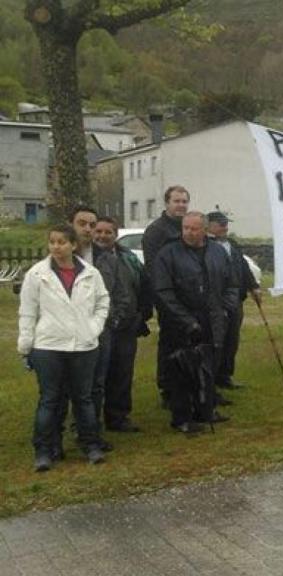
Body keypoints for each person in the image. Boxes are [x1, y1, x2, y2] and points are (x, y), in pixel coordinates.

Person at [18, 223, 109, 471]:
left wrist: (94, 327)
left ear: (73, 245)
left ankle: (91, 446)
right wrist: (25, 346)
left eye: (61, 242)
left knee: (84, 399)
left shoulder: (90, 273)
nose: (56, 247)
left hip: (84, 346)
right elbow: (27, 312)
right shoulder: (37, 274)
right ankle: (43, 451)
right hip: (49, 347)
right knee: (50, 399)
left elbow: (103, 302)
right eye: (52, 242)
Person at [151, 212, 238, 433]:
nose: (189, 232)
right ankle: (182, 418)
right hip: (180, 323)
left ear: (204, 229)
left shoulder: (217, 252)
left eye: (194, 228)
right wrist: (186, 320)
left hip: (213, 318)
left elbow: (231, 283)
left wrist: (226, 309)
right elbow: (163, 291)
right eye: (186, 228)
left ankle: (206, 409)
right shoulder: (168, 253)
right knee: (182, 369)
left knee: (208, 366)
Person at [61, 207, 128, 451]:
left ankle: (90, 432)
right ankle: (60, 434)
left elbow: (120, 294)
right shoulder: (57, 256)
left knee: (96, 384)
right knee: (67, 385)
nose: (88, 229)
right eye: (82, 223)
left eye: (92, 224)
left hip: (101, 332)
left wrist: (112, 321)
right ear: (71, 224)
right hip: (66, 333)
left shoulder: (107, 258)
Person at [94, 216, 149, 432]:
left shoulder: (129, 258)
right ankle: (89, 422)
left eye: (108, 232)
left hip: (126, 324)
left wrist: (142, 314)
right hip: (98, 327)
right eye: (98, 231)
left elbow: (144, 285)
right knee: (95, 377)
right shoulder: (86, 258)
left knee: (122, 373)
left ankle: (118, 417)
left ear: (116, 235)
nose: (102, 236)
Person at [144, 185, 190, 404]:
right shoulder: (156, 231)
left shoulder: (188, 227)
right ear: (167, 203)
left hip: (190, 297)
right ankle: (168, 390)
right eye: (177, 201)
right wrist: (164, 298)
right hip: (169, 298)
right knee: (170, 343)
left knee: (191, 344)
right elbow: (154, 269)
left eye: (184, 201)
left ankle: (190, 386)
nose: (181, 205)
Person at [207, 211, 261, 391]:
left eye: (226, 224)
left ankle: (225, 375)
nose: (225, 227)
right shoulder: (205, 246)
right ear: (209, 226)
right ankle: (211, 379)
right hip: (216, 301)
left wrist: (253, 286)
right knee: (217, 340)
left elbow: (244, 268)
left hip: (236, 299)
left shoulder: (233, 245)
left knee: (232, 339)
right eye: (220, 224)